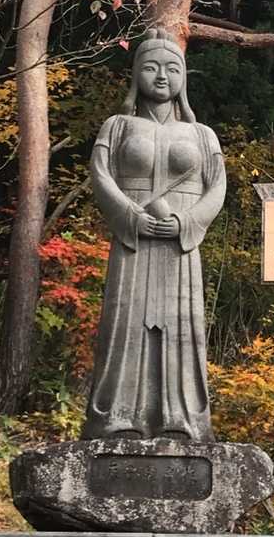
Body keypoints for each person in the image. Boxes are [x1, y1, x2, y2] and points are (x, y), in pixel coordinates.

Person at [82, 28, 226, 442]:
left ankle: (181, 418)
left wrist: (186, 222)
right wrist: (130, 215)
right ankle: (116, 417)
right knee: (124, 325)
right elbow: (101, 176)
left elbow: (217, 186)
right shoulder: (117, 126)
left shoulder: (202, 135)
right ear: (135, 74)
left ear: (183, 78)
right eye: (151, 67)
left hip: (180, 247)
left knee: (182, 328)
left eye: (172, 69)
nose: (162, 77)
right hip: (133, 243)